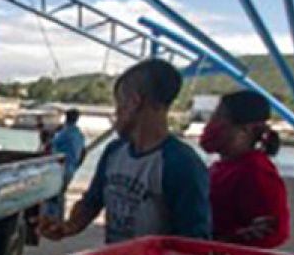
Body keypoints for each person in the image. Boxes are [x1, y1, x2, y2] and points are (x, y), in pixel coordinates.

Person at [38, 58, 210, 244]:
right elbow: (92, 201)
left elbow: (195, 239)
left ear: (134, 102)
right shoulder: (114, 151)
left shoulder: (182, 164)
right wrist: (68, 226)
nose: (117, 112)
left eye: (119, 104)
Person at [200, 90, 290, 248]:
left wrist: (219, 245)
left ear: (246, 129)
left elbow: (271, 233)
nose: (211, 125)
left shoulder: (256, 171)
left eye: (220, 117)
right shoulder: (219, 168)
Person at [46, 108, 86, 218]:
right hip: (71, 168)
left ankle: (53, 218)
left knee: (54, 195)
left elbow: (50, 145)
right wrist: (76, 165)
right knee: (61, 193)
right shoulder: (79, 134)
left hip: (60, 168)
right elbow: (83, 152)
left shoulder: (64, 133)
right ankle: (59, 217)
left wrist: (51, 134)